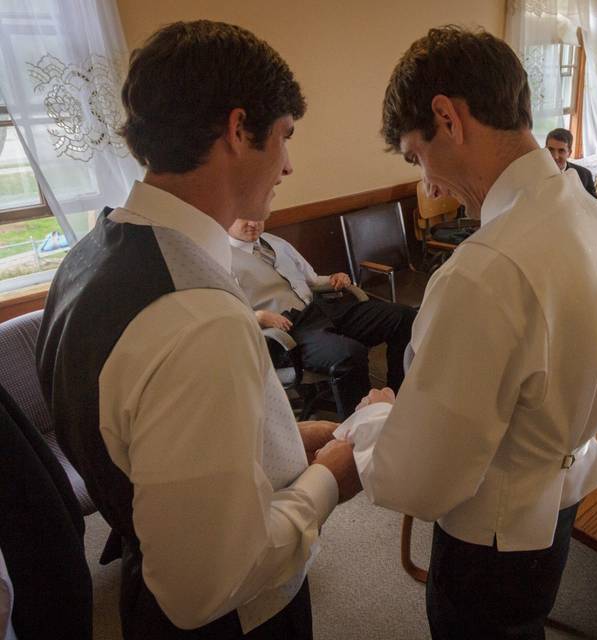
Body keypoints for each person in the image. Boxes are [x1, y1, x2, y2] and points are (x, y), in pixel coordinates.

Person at [35, 21, 360, 639]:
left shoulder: (89, 256)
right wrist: (329, 478)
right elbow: (205, 584)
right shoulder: (199, 317)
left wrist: (282, 442)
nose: (289, 165)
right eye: (285, 137)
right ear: (239, 130)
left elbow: (148, 440)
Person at [337, 26, 597, 639]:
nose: (430, 184)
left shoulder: (484, 273)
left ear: (447, 118)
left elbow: (421, 480)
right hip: (558, 499)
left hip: (491, 536)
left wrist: (374, 418)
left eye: (417, 156)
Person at [228, 217, 415, 411]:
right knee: (349, 354)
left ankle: (398, 397)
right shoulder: (222, 259)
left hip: (321, 309)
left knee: (403, 317)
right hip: (288, 327)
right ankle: (362, 423)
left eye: (258, 217)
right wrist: (258, 316)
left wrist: (334, 278)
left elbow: (313, 280)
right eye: (245, 219)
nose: (253, 224)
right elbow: (229, 313)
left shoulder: (276, 242)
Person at [545, 127, 597, 200]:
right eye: (551, 149)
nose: (555, 156)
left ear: (569, 153)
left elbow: (594, 206)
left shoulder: (584, 175)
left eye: (561, 151)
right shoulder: (534, 173)